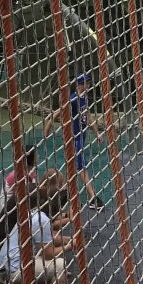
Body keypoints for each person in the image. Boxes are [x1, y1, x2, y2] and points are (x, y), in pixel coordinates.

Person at [0, 184, 78, 284]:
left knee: (50, 258)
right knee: (60, 265)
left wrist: (65, 240)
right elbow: (49, 253)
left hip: (6, 262)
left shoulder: (30, 214)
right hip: (15, 268)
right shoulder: (41, 219)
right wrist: (70, 245)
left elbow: (47, 238)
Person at [43, 75, 104, 210]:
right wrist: (47, 128)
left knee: (73, 168)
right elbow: (57, 113)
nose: (88, 87)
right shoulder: (73, 99)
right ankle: (93, 198)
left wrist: (97, 132)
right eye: (86, 84)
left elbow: (88, 116)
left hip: (81, 138)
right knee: (81, 169)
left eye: (88, 84)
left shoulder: (84, 98)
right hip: (74, 139)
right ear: (79, 85)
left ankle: (62, 197)